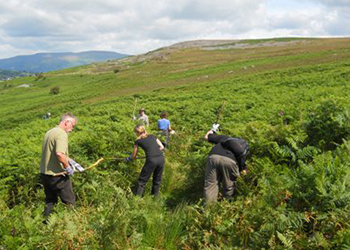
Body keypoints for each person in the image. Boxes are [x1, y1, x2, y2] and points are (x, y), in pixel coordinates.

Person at [39, 113, 78, 218]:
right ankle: (72, 223)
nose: (72, 128)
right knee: (69, 201)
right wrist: (67, 167)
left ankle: (46, 223)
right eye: (73, 125)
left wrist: (71, 161)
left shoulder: (50, 132)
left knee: (50, 201)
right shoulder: (61, 134)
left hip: (45, 174)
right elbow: (59, 154)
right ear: (66, 122)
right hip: (58, 175)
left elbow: (53, 152)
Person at [203, 124, 249, 203]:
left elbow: (207, 137)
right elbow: (242, 166)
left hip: (213, 157)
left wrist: (213, 129)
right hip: (230, 161)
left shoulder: (225, 138)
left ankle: (209, 210)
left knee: (210, 185)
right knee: (229, 186)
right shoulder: (243, 147)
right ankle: (225, 207)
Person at [125, 124, 165, 197]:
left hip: (151, 160)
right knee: (157, 180)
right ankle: (155, 198)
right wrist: (155, 153)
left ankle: (138, 199)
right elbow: (162, 147)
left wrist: (128, 158)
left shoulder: (138, 141)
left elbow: (134, 156)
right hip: (161, 158)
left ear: (138, 132)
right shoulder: (152, 136)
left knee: (142, 181)